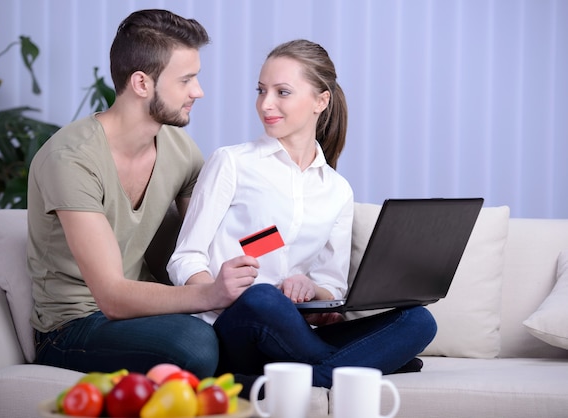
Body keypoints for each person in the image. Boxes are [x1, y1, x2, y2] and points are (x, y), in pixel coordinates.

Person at [167, 39, 437, 388]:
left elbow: (332, 288)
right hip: (235, 324)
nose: (266, 104)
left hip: (293, 334)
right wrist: (216, 289)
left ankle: (292, 378)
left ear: (320, 101)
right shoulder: (232, 163)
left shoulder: (337, 190)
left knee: (418, 321)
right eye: (261, 90)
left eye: (282, 92)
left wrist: (312, 290)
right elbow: (184, 258)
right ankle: (361, 366)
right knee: (263, 296)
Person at [27, 9, 248, 379]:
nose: (199, 91)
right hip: (73, 326)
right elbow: (110, 297)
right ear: (142, 83)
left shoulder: (180, 150)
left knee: (252, 328)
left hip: (145, 315)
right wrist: (209, 296)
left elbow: (210, 241)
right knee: (193, 343)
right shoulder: (70, 159)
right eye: (186, 80)